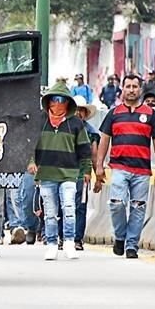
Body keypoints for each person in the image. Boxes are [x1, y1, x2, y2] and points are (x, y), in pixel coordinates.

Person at [93, 73, 155, 258]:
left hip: (142, 169)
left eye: (135, 86)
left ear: (140, 89)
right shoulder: (114, 114)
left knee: (138, 207)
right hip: (119, 167)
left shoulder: (150, 114)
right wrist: (99, 165)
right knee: (116, 203)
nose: (132, 90)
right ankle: (120, 237)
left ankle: (132, 245)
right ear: (122, 89)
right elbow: (104, 140)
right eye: (128, 86)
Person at [29, 83, 93, 260]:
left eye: (62, 100)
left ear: (68, 103)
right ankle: (51, 243)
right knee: (50, 212)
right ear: (48, 102)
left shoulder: (76, 124)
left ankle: (69, 242)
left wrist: (87, 171)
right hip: (46, 173)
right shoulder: (39, 122)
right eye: (54, 100)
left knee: (69, 207)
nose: (58, 103)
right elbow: (30, 146)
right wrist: (32, 162)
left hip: (69, 173)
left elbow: (85, 150)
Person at [57, 96, 100, 252]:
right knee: (64, 205)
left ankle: (77, 239)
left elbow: (94, 155)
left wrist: (97, 176)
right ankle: (63, 237)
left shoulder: (91, 132)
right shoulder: (61, 128)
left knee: (80, 207)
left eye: (81, 110)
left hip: (82, 174)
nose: (78, 113)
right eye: (76, 110)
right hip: (64, 173)